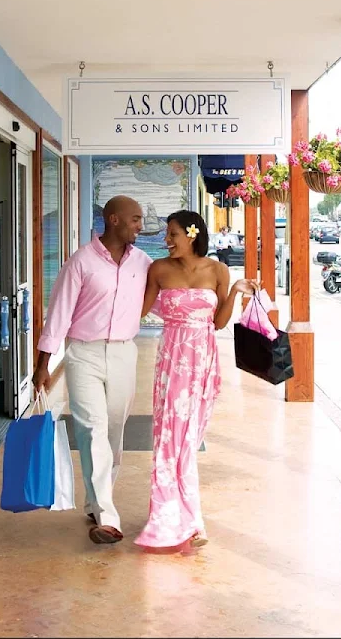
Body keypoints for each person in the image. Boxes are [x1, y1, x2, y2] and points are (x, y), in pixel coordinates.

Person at [32, 195, 150, 545]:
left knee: (114, 431)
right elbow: (58, 315)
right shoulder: (80, 263)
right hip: (83, 354)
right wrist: (43, 365)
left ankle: (96, 501)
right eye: (135, 219)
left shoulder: (143, 262)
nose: (140, 226)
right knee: (92, 429)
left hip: (124, 354)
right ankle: (107, 516)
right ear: (113, 220)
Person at [134, 210, 256, 551]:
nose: (166, 240)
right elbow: (139, 311)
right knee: (169, 437)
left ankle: (186, 516)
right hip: (172, 360)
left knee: (190, 439)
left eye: (172, 234)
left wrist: (234, 293)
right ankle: (173, 518)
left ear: (192, 234)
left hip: (203, 362)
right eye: (167, 235)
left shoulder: (217, 270)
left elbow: (218, 323)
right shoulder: (158, 269)